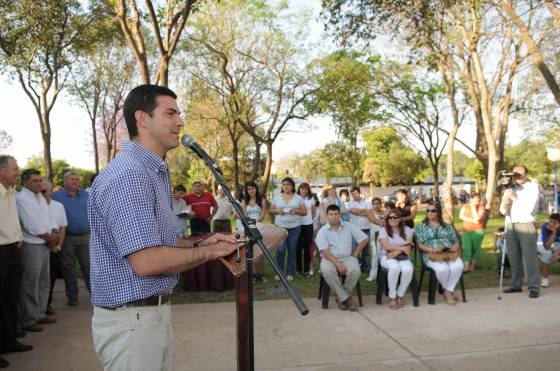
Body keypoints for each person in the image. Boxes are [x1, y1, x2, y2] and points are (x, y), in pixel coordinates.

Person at [88, 84, 236, 371]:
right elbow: (147, 261)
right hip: (132, 322)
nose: (180, 122)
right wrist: (212, 253)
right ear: (142, 119)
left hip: (148, 316)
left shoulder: (149, 171)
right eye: (170, 113)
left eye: (179, 114)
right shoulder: (129, 176)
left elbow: (158, 243)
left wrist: (201, 243)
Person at [0, 155, 32, 368]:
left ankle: (8, 340)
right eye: (14, 168)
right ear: (1, 171)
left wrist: (18, 238)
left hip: (13, 250)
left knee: (11, 298)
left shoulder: (11, 193)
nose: (18, 171)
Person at [16, 169, 58, 331]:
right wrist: (50, 238)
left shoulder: (40, 197)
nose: (39, 183)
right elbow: (30, 225)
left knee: (43, 282)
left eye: (40, 180)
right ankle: (29, 319)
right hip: (32, 245)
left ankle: (40, 313)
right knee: (30, 284)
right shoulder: (21, 199)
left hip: (45, 244)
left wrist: (54, 231)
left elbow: (50, 217)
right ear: (25, 182)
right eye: (35, 181)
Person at [315, 204, 368, 311]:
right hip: (329, 258)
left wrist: (355, 254)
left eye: (336, 214)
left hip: (347, 257)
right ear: (327, 215)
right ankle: (345, 298)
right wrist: (338, 265)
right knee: (327, 270)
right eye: (331, 214)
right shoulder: (322, 231)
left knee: (355, 270)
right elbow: (325, 252)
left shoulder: (348, 226)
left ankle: (341, 297)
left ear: (339, 215)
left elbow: (364, 238)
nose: (333, 216)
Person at [499, 165, 541, 298]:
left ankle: (534, 287)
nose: (518, 176)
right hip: (511, 224)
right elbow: (502, 211)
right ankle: (516, 284)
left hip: (526, 223)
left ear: (526, 174)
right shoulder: (510, 188)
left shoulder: (532, 187)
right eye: (515, 174)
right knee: (513, 256)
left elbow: (528, 209)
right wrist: (505, 200)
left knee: (530, 257)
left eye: (520, 173)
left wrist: (515, 198)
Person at [51, 171, 91, 306]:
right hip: (67, 237)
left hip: (86, 236)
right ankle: (72, 296)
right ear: (65, 181)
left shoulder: (86, 195)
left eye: (77, 179)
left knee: (89, 267)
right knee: (68, 268)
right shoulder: (56, 196)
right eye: (72, 179)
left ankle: (96, 295)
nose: (75, 182)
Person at [415, 202, 464, 305]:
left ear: (439, 212)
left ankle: (448, 290)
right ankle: (448, 292)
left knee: (458, 266)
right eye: (428, 211)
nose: (430, 213)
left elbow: (455, 241)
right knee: (443, 269)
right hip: (431, 254)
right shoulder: (421, 226)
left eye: (433, 210)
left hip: (448, 252)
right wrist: (431, 249)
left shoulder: (447, 226)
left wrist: (453, 248)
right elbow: (419, 244)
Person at [269, 177, 306, 281]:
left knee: (292, 249)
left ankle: (290, 272)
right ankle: (279, 272)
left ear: (292, 186)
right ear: (282, 186)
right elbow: (271, 210)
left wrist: (296, 211)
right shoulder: (277, 197)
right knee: (280, 250)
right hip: (280, 227)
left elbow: (304, 212)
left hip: (295, 228)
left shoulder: (298, 198)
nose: (286, 186)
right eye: (284, 184)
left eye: (288, 184)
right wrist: (277, 210)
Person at [378, 209, 414, 309]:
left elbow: (409, 247)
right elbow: (387, 247)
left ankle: (400, 295)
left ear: (400, 219)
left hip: (403, 257)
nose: (392, 219)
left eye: (395, 217)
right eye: (390, 217)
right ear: (387, 219)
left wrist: (397, 252)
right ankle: (392, 296)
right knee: (394, 268)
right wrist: (402, 248)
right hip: (387, 257)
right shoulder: (383, 230)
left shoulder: (407, 229)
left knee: (408, 270)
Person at [42, 180, 68, 316]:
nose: (43, 193)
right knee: (40, 279)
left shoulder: (58, 206)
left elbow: (62, 227)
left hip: (55, 248)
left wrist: (58, 246)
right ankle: (40, 307)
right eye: (41, 191)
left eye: (45, 191)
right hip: (40, 246)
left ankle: (47, 304)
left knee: (51, 277)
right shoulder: (35, 206)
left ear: (51, 191)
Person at [241, 181, 268, 282]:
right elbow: (245, 215)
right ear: (246, 191)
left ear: (256, 189)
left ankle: (261, 274)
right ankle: (253, 274)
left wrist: (256, 223)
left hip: (260, 228)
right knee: (250, 251)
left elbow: (262, 215)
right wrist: (250, 225)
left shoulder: (262, 200)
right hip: (248, 229)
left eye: (252, 188)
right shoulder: (244, 201)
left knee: (260, 252)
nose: (251, 190)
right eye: (248, 189)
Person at [459, 193, 486, 272]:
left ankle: (472, 266)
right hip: (466, 231)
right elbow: (461, 216)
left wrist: (473, 207)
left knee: (476, 249)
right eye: (474, 199)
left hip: (478, 231)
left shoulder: (481, 208)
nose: (476, 200)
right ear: (471, 199)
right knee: (466, 248)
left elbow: (477, 218)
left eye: (478, 199)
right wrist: (471, 220)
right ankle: (466, 267)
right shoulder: (465, 206)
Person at [347, 186, 371, 272]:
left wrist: (358, 211)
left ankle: (365, 266)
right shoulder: (349, 203)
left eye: (356, 193)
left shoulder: (367, 202)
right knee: (355, 248)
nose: (354, 195)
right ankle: (356, 265)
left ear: (359, 193)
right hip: (354, 229)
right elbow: (353, 211)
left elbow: (369, 213)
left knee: (366, 249)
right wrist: (364, 211)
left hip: (366, 228)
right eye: (352, 194)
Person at [296, 182, 316, 276]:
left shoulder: (311, 199)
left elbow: (313, 212)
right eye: (302, 188)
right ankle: (298, 269)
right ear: (299, 189)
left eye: (305, 189)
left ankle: (307, 269)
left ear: (308, 190)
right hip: (297, 225)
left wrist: (310, 221)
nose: (303, 190)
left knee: (307, 248)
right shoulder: (295, 198)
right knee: (298, 247)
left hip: (308, 225)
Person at [537, 213, 560, 287]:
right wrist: (554, 232)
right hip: (542, 243)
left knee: (555, 252)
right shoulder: (545, 227)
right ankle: (545, 279)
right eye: (550, 221)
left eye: (554, 222)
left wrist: (556, 252)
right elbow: (547, 246)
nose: (551, 224)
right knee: (547, 253)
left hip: (556, 243)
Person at [366, 197, 384, 281]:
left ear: (380, 204)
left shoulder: (384, 212)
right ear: (372, 204)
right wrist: (383, 223)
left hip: (384, 236)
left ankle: (382, 274)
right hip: (374, 235)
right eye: (374, 204)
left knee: (382, 255)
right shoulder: (369, 211)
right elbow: (373, 220)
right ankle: (373, 275)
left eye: (378, 203)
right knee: (374, 255)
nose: (376, 205)